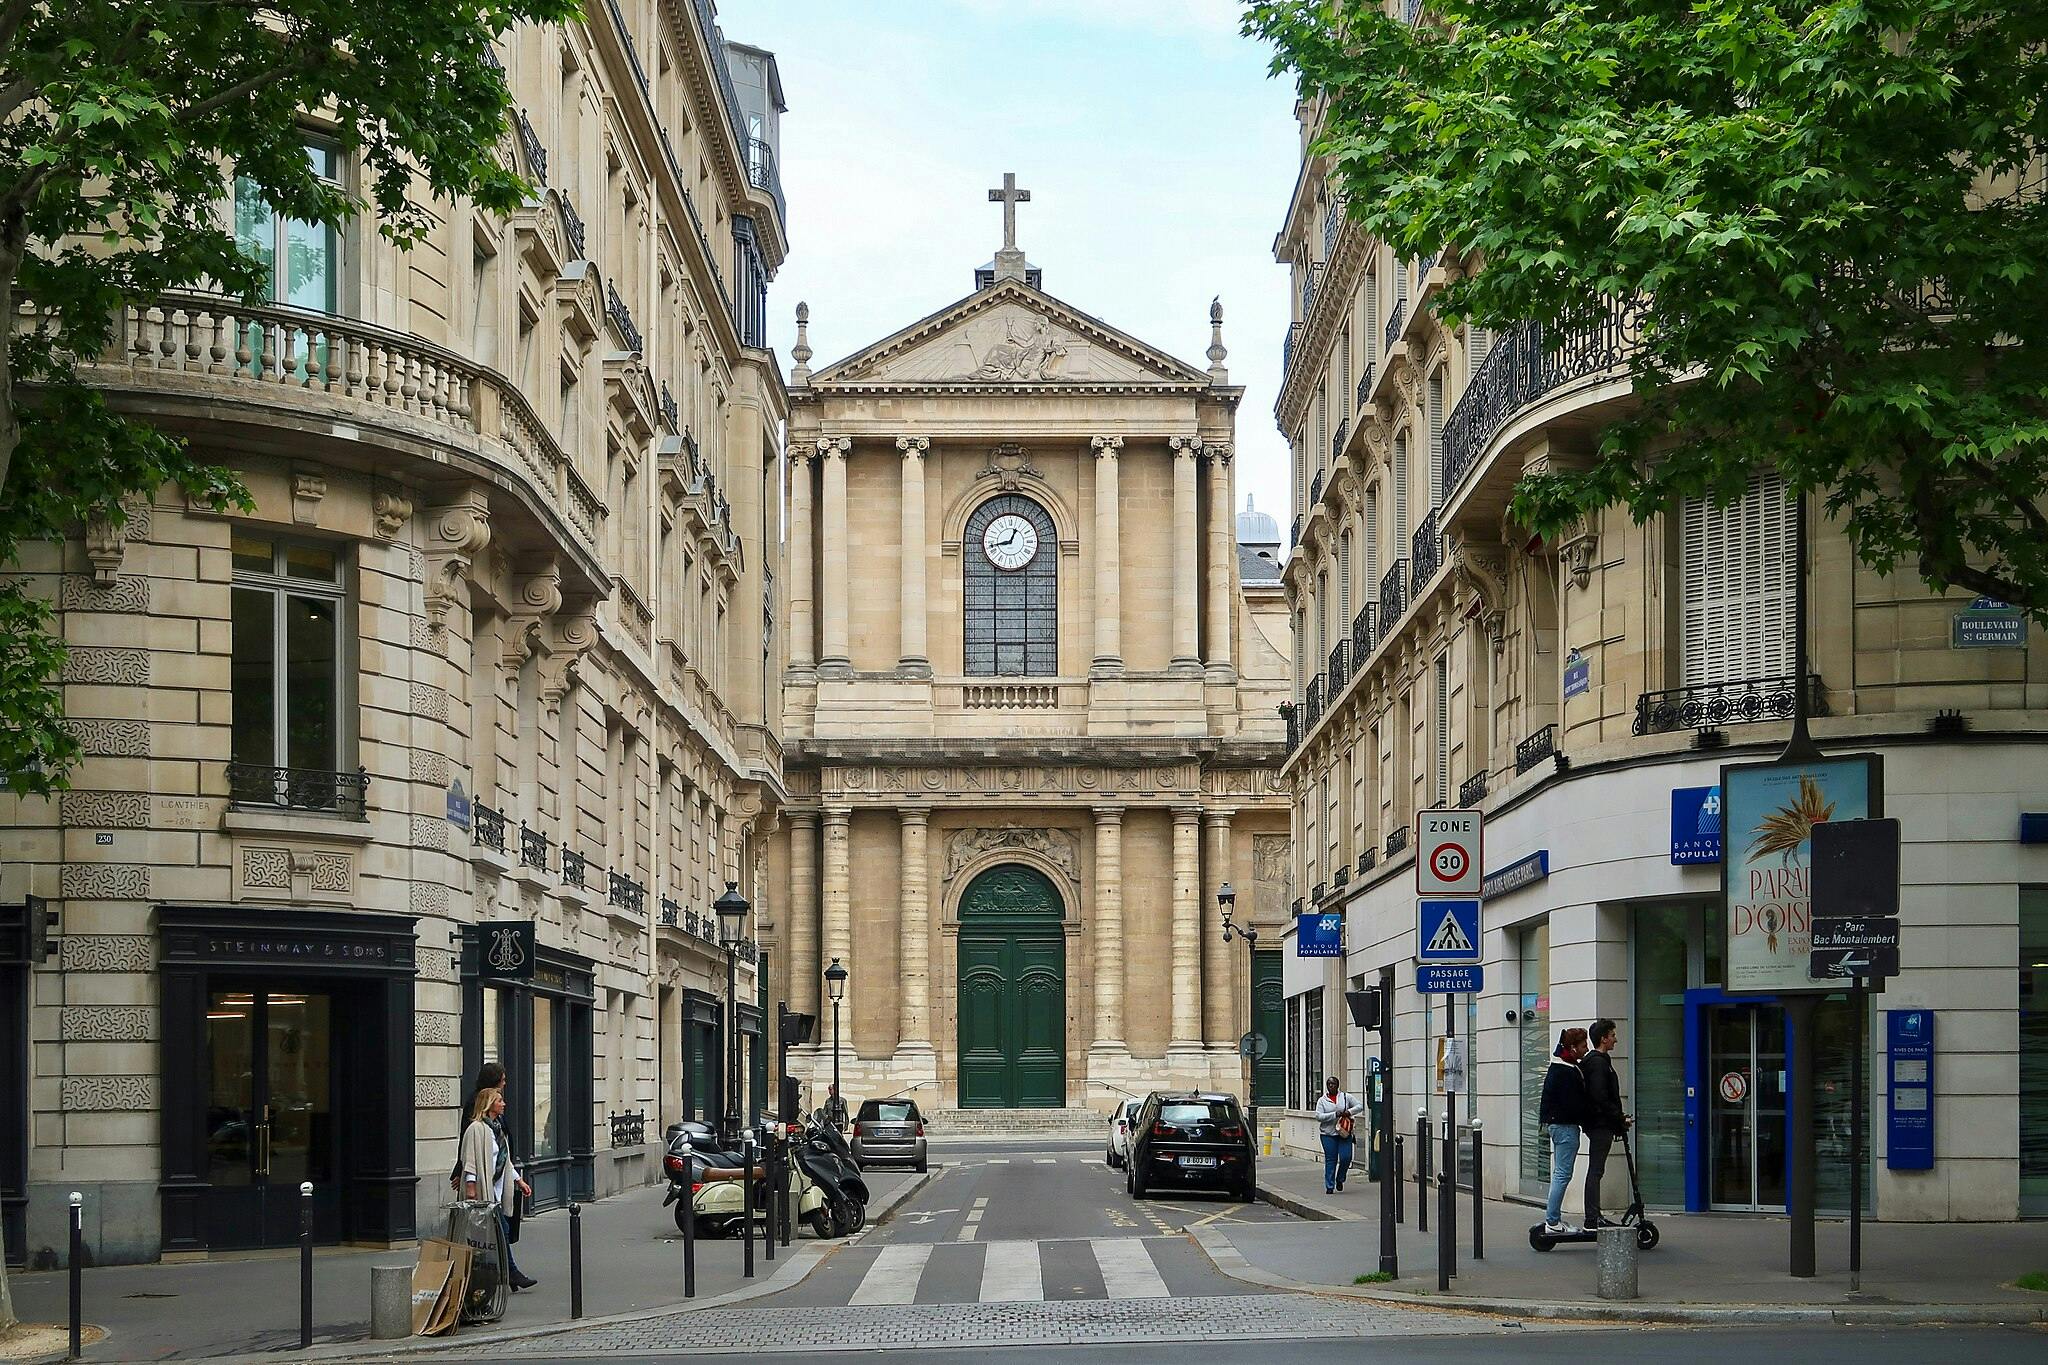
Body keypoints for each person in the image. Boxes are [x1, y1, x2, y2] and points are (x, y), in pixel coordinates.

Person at [460, 1086, 537, 1291]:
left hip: (497, 1189)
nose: (504, 1104)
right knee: (500, 1230)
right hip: (482, 1190)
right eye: (499, 1100)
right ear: (489, 1104)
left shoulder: (497, 1128)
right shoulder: (475, 1129)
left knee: (495, 1234)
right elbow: (470, 1161)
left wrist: (519, 1181)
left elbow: (505, 1160)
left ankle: (499, 1273)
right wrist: (470, 1188)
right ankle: (511, 1273)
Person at [1538, 1026, 1590, 1236]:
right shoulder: (1566, 1072)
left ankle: (1553, 1219)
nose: (1586, 1049)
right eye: (1583, 1045)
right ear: (1572, 1048)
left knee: (1560, 1173)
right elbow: (1574, 1104)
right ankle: (1552, 1221)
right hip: (1565, 1127)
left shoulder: (1561, 1067)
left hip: (1558, 1125)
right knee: (1562, 1174)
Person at [1581, 1019, 1630, 1229]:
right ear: (1603, 1038)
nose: (1615, 1040)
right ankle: (1592, 1217)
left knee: (1596, 1169)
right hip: (1600, 1124)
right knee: (1596, 1170)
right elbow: (1600, 1096)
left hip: (1601, 1123)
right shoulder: (1598, 1063)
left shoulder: (1599, 1061)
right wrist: (1618, 1118)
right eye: (1612, 1035)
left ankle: (1594, 1215)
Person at [1313, 1076, 1360, 1194]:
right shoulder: (1322, 1100)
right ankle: (1329, 1186)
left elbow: (1359, 1106)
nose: (1331, 1086)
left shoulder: (1345, 1097)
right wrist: (1334, 1114)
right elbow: (1318, 1116)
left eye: (1333, 1084)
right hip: (1328, 1134)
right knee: (1331, 1159)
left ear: (1338, 1085)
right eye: (1329, 1084)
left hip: (1344, 1133)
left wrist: (1349, 1112)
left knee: (1346, 1157)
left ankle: (1340, 1178)